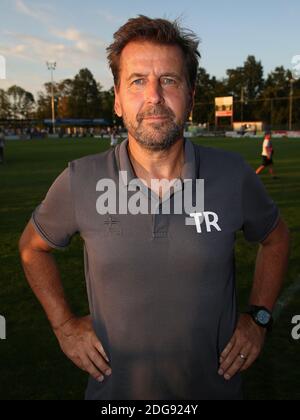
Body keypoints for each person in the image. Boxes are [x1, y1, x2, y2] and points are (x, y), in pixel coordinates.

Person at [19, 16, 290, 400]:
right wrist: (64, 325)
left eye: (169, 80)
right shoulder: (81, 179)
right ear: (116, 98)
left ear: (191, 96)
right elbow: (32, 248)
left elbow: (276, 238)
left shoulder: (234, 175)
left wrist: (259, 318)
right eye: (137, 81)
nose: (154, 97)